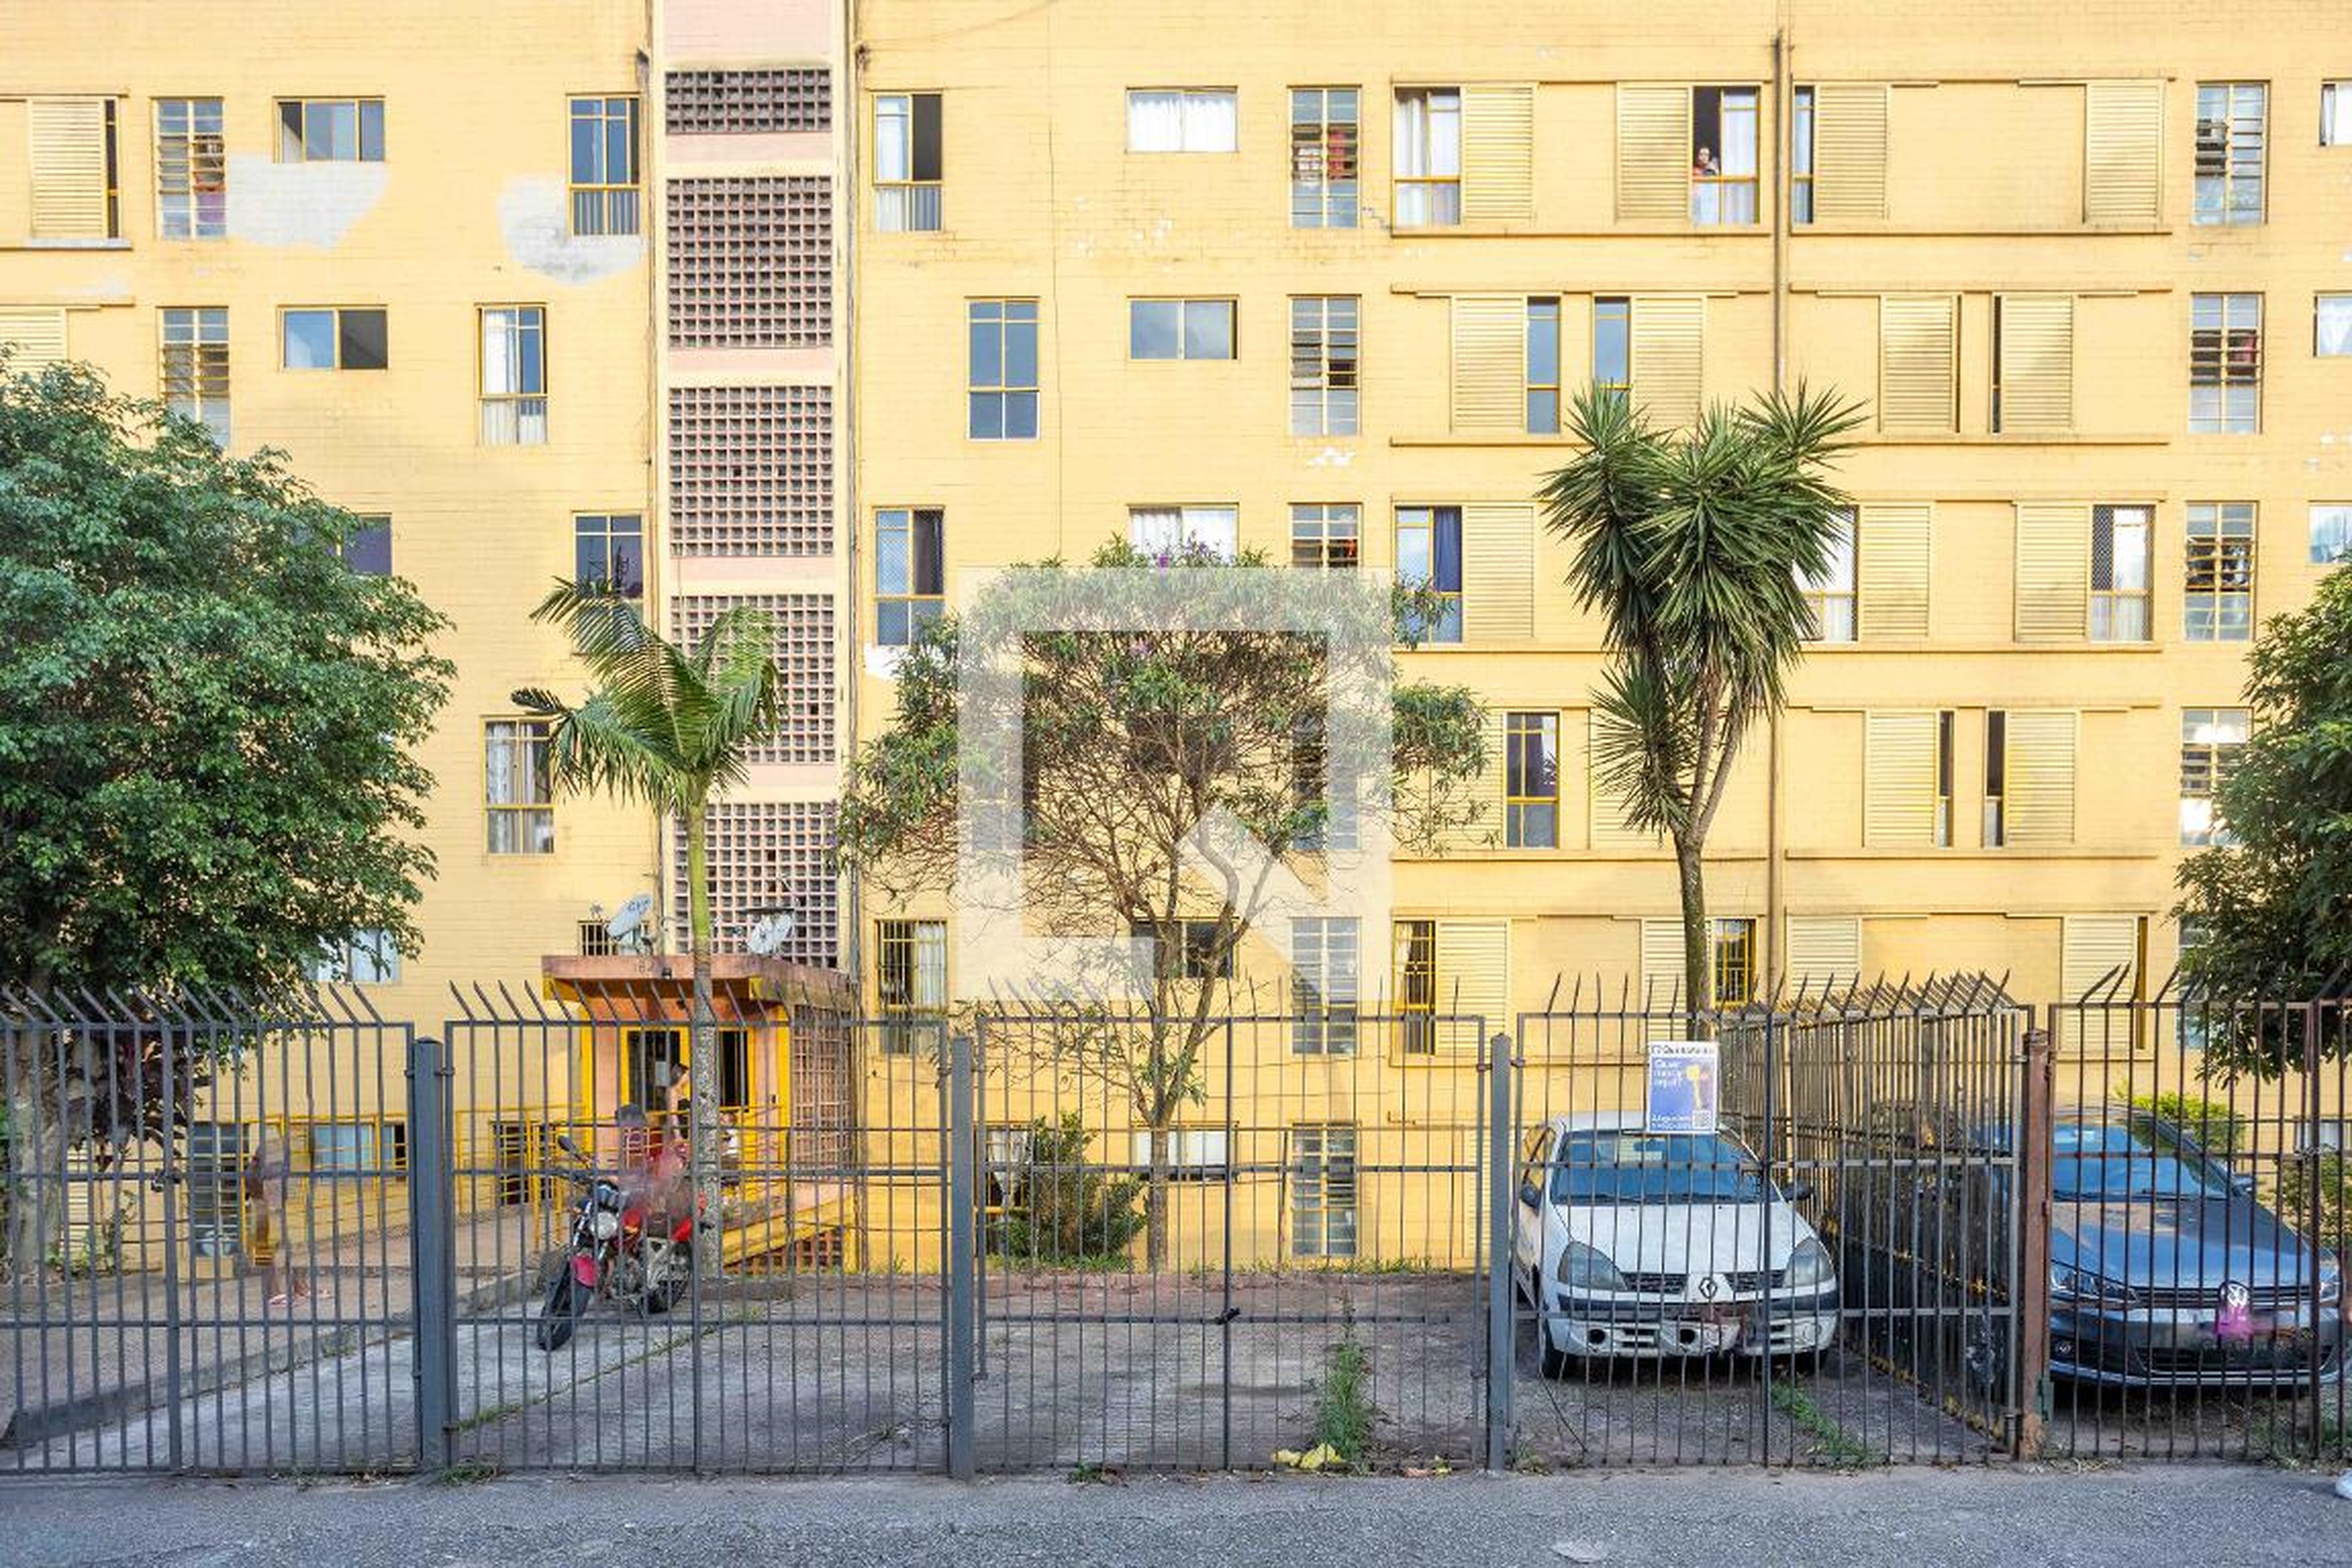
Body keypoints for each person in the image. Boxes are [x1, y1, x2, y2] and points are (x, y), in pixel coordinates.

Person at [243, 1131, 309, 1308]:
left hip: (276, 1210)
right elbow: (255, 1188)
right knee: (269, 1251)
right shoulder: (257, 1170)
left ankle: (299, 1287)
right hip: (264, 1211)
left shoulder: (277, 1165)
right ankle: (274, 1294)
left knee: (289, 1248)